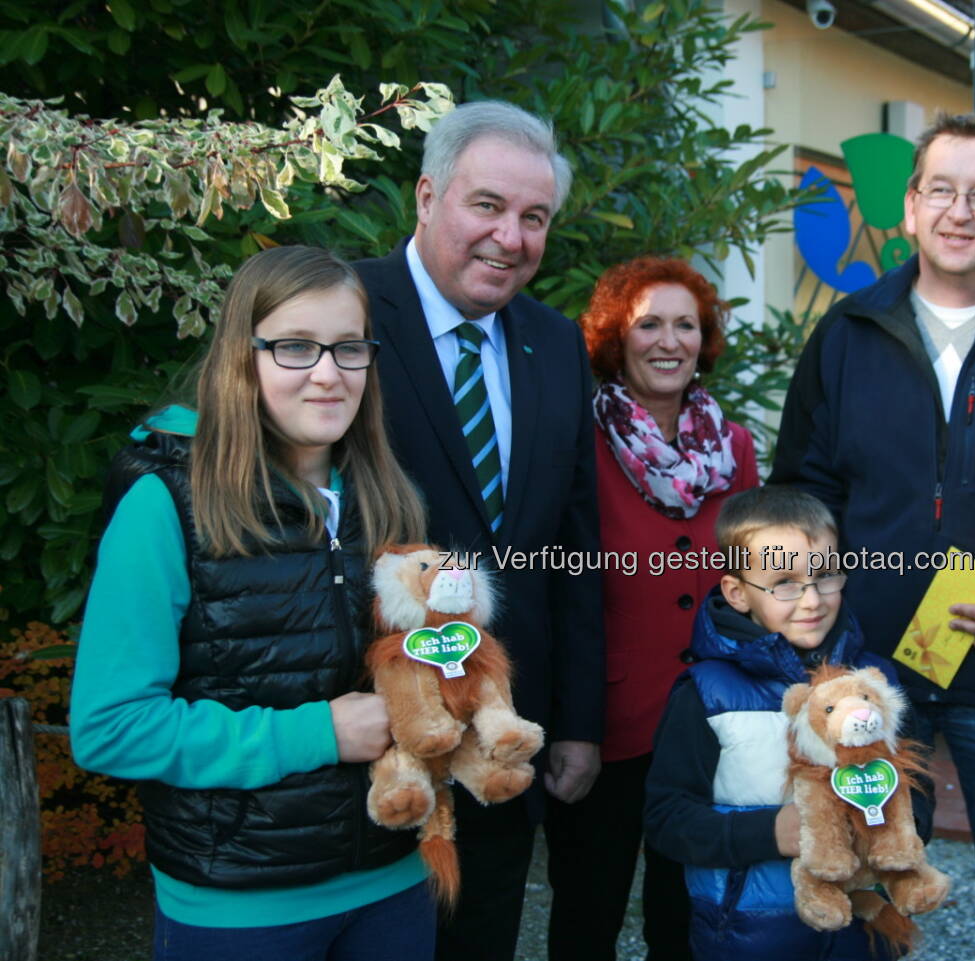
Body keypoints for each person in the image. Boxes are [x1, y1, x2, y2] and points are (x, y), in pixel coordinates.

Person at [771, 111, 975, 960]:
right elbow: (802, 495)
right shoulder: (845, 335)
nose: (961, 211)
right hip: (875, 673)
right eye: (942, 190)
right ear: (910, 208)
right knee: (865, 892)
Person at [71, 246, 432, 960]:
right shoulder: (167, 502)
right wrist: (318, 734)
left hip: (394, 876)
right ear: (245, 355)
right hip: (240, 904)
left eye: (349, 347)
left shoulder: (385, 493)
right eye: (296, 346)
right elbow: (110, 727)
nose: (328, 373)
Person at [352, 100, 604, 961]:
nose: (511, 236)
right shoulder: (344, 313)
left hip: (501, 741)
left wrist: (575, 722)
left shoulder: (554, 342)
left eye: (534, 217)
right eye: (488, 205)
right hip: (374, 741)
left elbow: (572, 551)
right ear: (427, 197)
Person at [545, 256, 760, 961]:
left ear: (704, 339)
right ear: (617, 337)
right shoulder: (575, 437)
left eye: (686, 325)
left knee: (687, 915)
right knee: (587, 911)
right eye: (649, 325)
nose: (669, 341)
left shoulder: (735, 448)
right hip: (605, 723)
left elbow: (753, 581)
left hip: (708, 719)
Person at [644, 485, 932, 961]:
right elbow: (667, 819)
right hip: (747, 934)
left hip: (862, 931)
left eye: (825, 576)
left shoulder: (876, 683)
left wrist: (900, 828)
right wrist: (770, 833)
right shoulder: (707, 693)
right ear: (737, 592)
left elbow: (917, 786)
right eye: (784, 583)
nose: (812, 599)